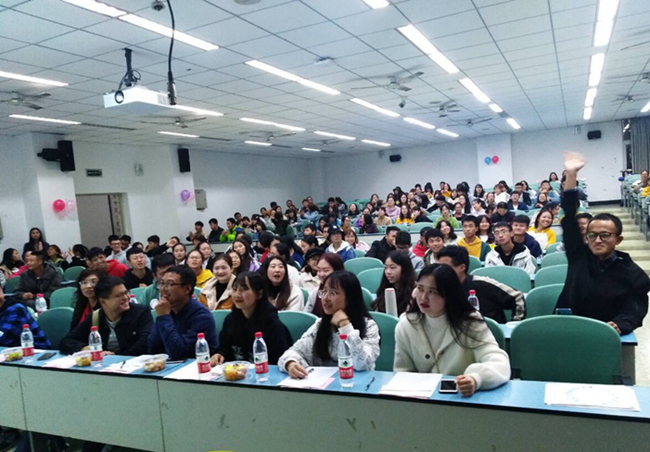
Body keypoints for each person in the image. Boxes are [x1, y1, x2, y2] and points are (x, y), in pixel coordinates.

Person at [556, 152, 650, 335]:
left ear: (618, 240)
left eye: (605, 235)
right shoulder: (578, 255)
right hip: (567, 330)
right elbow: (569, 215)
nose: (597, 240)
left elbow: (635, 309)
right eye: (592, 235)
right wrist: (571, 175)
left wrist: (620, 324)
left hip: (605, 335)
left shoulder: (633, 274)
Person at [393, 264, 511, 396]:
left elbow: (499, 363)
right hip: (421, 400)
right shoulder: (406, 325)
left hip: (462, 399)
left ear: (449, 294)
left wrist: (476, 379)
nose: (423, 297)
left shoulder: (469, 323)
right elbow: (402, 372)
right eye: (420, 289)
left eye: (433, 292)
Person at [279, 271, 380, 377]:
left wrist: (345, 326)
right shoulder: (320, 325)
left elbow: (363, 364)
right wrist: (291, 363)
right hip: (324, 384)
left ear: (350, 297)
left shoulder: (369, 326)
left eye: (333, 293)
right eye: (324, 291)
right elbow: (293, 352)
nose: (326, 298)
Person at [209, 272, 293, 367]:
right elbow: (225, 349)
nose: (237, 295)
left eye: (244, 289)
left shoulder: (273, 325)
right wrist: (220, 355)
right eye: (235, 289)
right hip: (236, 373)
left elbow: (278, 362)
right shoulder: (230, 320)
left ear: (259, 294)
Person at [60, 276, 153, 356]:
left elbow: (144, 343)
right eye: (119, 295)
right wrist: (83, 348)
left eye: (126, 293)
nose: (126, 298)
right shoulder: (95, 317)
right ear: (103, 301)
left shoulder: (141, 313)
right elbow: (67, 341)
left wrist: (115, 357)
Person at [437, 246, 525, 323]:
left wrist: (515, 324)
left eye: (445, 267)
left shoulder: (483, 284)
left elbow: (517, 297)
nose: (440, 271)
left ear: (462, 267)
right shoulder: (438, 288)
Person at [148, 266, 218, 359]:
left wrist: (164, 317)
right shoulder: (166, 310)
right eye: (162, 283)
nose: (163, 289)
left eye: (169, 284)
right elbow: (153, 348)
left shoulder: (202, 316)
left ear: (187, 289)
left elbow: (180, 353)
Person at [372, 250, 416, 315]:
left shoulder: (414, 292)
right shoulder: (385, 287)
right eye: (386, 267)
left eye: (392, 267)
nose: (388, 272)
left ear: (404, 269)